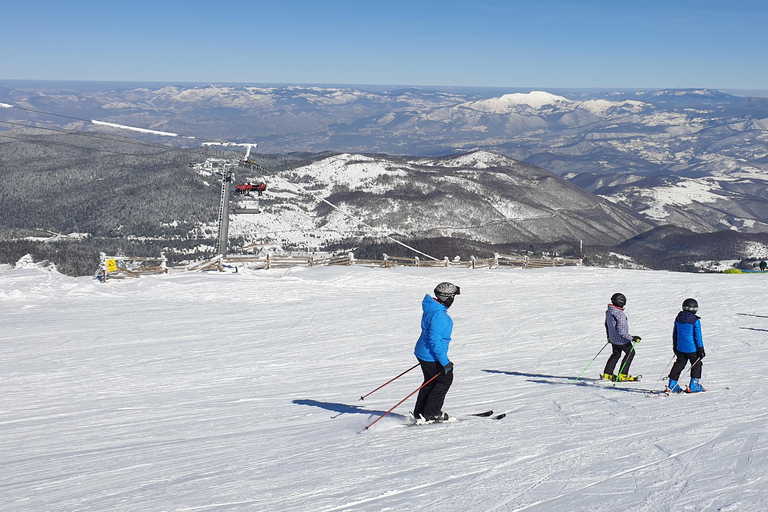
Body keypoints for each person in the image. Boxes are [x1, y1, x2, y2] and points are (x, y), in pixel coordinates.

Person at [412, 282, 460, 422]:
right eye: (452, 297)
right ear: (447, 298)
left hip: (422, 352)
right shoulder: (440, 316)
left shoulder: (432, 309)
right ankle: (431, 413)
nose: (453, 300)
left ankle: (420, 412)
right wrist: (445, 362)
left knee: (430, 381)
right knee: (445, 379)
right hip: (430, 354)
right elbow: (435, 341)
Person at [666, 298, 706, 393]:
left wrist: (675, 346)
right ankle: (694, 384)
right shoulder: (695, 321)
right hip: (692, 349)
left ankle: (672, 384)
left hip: (680, 347)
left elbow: (675, 333)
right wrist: (700, 349)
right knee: (696, 364)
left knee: (679, 364)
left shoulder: (678, 318)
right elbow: (698, 336)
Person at [602, 293, 641, 381]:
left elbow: (607, 324)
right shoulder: (620, 315)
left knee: (616, 354)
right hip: (621, 340)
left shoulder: (609, 312)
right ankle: (623, 375)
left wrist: (609, 336)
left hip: (613, 339)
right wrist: (633, 338)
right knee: (630, 353)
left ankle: (607, 374)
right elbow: (622, 331)